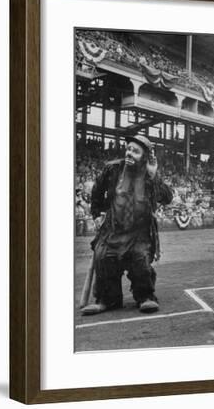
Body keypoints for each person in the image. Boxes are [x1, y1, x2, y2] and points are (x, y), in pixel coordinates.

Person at [81, 134, 173, 315]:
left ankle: (145, 297)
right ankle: (107, 300)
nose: (130, 153)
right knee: (103, 258)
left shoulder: (150, 174)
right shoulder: (112, 169)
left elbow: (167, 198)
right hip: (113, 229)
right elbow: (97, 191)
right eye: (128, 149)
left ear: (145, 157)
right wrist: (97, 213)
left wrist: (154, 175)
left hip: (140, 233)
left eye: (136, 152)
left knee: (140, 260)